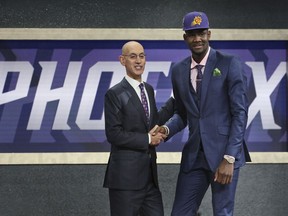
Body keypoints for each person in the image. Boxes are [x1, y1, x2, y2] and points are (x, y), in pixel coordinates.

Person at [159, 11, 251, 216]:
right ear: (185, 38)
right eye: (192, 34)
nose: (197, 38)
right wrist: (166, 130)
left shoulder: (229, 63)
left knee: (222, 213)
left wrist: (229, 158)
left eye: (201, 33)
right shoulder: (178, 70)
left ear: (209, 34)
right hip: (194, 156)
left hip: (223, 156)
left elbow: (239, 113)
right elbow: (182, 113)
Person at [103, 41, 175, 216]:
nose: (138, 61)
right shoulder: (115, 93)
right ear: (122, 60)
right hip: (125, 182)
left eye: (141, 56)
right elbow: (114, 134)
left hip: (150, 181)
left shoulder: (148, 89)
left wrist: (176, 98)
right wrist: (148, 139)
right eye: (133, 56)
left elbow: (154, 121)